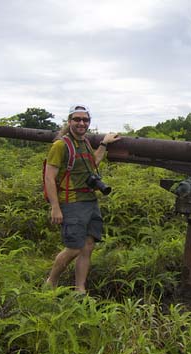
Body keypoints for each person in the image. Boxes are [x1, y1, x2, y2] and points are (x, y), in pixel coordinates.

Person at [44, 104, 120, 294]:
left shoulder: (85, 142)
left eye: (85, 120)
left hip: (90, 200)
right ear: (69, 121)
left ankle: (80, 289)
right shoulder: (60, 145)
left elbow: (92, 164)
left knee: (87, 246)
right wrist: (55, 207)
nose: (81, 123)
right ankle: (50, 283)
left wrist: (104, 143)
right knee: (74, 248)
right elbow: (49, 177)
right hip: (72, 201)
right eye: (77, 119)